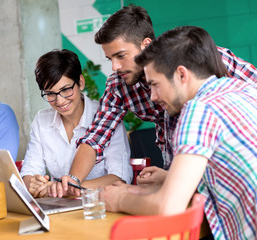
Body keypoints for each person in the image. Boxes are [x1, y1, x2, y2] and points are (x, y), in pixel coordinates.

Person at [56, 5, 257, 196]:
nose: (115, 67)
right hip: (178, 178)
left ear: (146, 45)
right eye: (110, 59)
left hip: (224, 182)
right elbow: (95, 138)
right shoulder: (119, 85)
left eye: (121, 56)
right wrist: (73, 179)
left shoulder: (206, 59)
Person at [104, 25, 257, 240]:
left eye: (155, 84)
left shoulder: (199, 108)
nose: (153, 97)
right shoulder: (243, 89)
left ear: (181, 74)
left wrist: (118, 199)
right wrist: (170, 178)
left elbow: (169, 208)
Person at [20, 49, 132, 198]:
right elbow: (28, 174)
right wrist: (33, 184)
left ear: (80, 82)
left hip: (99, 207)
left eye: (66, 90)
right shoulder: (42, 120)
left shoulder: (106, 117)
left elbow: (119, 178)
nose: (60, 101)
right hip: (59, 209)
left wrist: (68, 189)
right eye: (50, 94)